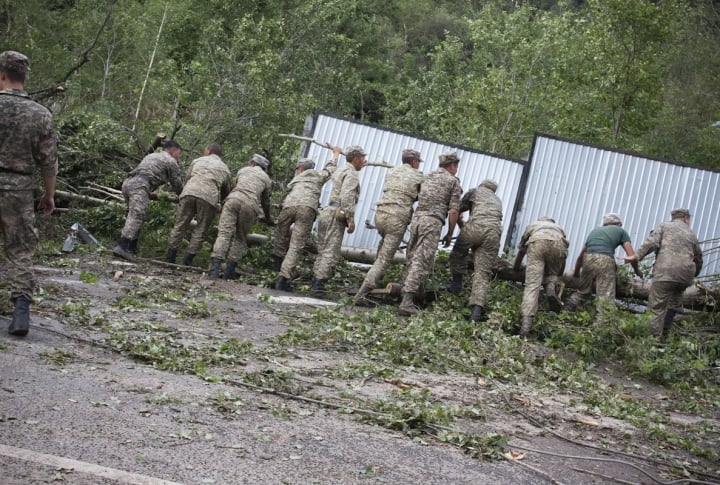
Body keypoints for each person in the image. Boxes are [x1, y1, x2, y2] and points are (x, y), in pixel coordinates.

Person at [0, 50, 57, 337]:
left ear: (1, 75)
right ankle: (20, 312)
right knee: (20, 251)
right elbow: (48, 161)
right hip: (19, 189)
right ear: (23, 77)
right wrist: (49, 195)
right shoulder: (40, 114)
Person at [354, 148, 424, 306]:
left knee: (383, 247)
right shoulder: (418, 176)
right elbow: (421, 195)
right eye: (418, 162)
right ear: (414, 162)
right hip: (396, 219)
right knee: (385, 258)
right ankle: (362, 293)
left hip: (381, 215)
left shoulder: (392, 172)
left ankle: (375, 279)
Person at [398, 152, 462, 316]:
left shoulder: (425, 177)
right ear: (452, 166)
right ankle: (407, 302)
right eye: (456, 166)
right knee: (422, 259)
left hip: (417, 220)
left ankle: (405, 293)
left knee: (411, 256)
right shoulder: (453, 181)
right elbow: (454, 210)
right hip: (432, 222)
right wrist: (449, 232)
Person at [623, 208, 702, 338]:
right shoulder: (691, 234)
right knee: (673, 305)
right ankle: (663, 340)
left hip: (665, 273)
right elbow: (698, 257)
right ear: (686, 218)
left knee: (656, 308)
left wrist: (636, 256)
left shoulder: (664, 226)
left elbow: (652, 243)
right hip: (685, 276)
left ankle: (651, 343)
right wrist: (694, 274)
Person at [273, 147, 340, 292]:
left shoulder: (295, 180)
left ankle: (274, 270)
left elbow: (284, 196)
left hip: (288, 206)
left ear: (300, 169)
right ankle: (282, 279)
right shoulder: (318, 176)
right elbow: (330, 170)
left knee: (280, 238)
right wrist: (335, 155)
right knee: (296, 245)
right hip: (307, 208)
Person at [114, 140, 183, 260]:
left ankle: (130, 248)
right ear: (174, 150)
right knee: (137, 215)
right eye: (179, 153)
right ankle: (122, 246)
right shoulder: (171, 161)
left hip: (128, 183)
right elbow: (177, 185)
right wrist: (182, 196)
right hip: (140, 185)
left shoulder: (151, 155)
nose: (179, 156)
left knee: (134, 216)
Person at [311, 145, 367, 295]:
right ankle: (319, 285)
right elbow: (347, 197)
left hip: (327, 211)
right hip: (337, 214)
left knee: (322, 249)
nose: (364, 161)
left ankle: (315, 280)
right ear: (355, 159)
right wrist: (350, 219)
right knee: (330, 251)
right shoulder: (352, 174)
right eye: (362, 158)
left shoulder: (341, 170)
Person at [165, 142, 231, 266]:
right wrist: (222, 204)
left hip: (189, 192)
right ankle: (186, 262)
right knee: (200, 230)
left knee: (180, 225)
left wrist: (183, 192)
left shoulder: (198, 161)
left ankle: (170, 258)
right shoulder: (225, 168)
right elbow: (226, 191)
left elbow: (187, 177)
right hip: (209, 198)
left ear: (209, 150)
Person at [209, 153, 274, 279]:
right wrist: (268, 217)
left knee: (224, 234)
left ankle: (214, 270)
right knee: (240, 238)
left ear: (253, 163)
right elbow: (266, 202)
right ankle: (228, 272)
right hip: (250, 205)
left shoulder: (243, 170)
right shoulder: (266, 179)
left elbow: (233, 187)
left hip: (233, 199)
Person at [445, 179, 502, 322]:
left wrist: (458, 225)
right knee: (482, 273)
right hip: (493, 233)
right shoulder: (497, 200)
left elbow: (456, 209)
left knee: (458, 253)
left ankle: (456, 284)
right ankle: (476, 312)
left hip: (475, 227)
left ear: (482, 186)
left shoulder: (476, 191)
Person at [564, 213, 642, 316]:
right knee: (605, 298)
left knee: (582, 292)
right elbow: (632, 256)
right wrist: (637, 270)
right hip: (605, 260)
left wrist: (577, 273)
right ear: (619, 223)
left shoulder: (595, 232)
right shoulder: (621, 231)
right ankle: (601, 329)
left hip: (588, 259)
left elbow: (580, 256)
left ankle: (564, 313)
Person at [513, 217, 568, 336]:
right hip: (558, 245)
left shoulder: (533, 225)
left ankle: (525, 326)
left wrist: (516, 268)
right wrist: (557, 276)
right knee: (551, 275)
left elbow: (522, 250)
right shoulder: (559, 229)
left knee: (532, 285)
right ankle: (550, 286)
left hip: (538, 243)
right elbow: (563, 258)